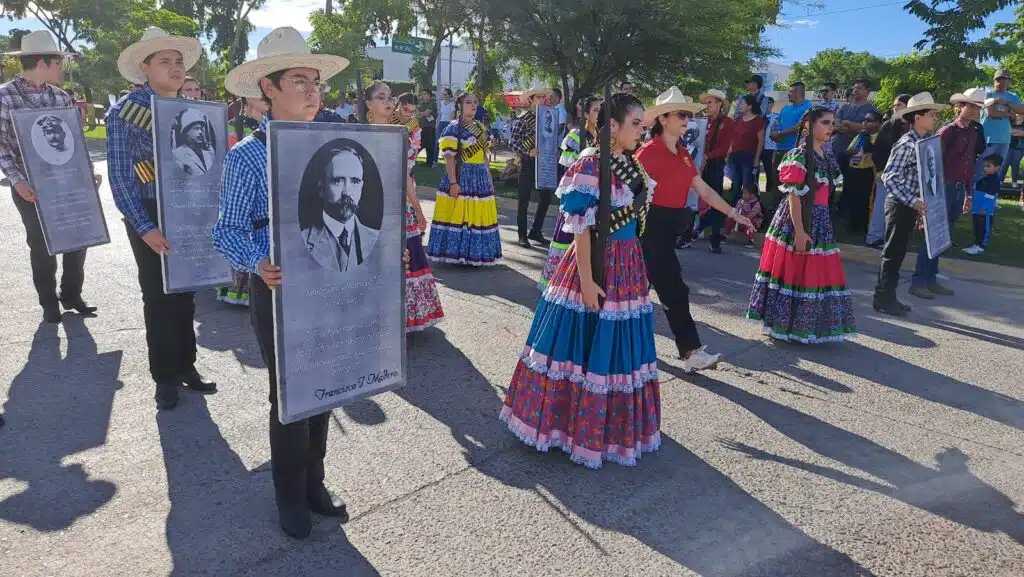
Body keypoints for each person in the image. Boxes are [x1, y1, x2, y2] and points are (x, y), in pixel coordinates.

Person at [213, 26, 353, 539]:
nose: (313, 90)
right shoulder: (246, 155)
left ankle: (315, 482)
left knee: (327, 387)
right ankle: (289, 494)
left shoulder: (335, 147)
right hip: (277, 291)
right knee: (291, 395)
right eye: (300, 80)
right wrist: (260, 262)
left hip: (330, 287)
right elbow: (225, 231)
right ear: (268, 89)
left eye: (315, 81)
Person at [499, 92, 661, 468]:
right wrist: (587, 281)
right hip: (594, 263)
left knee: (614, 345)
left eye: (642, 123)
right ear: (613, 126)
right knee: (579, 342)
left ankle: (609, 427)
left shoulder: (629, 164)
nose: (642, 130)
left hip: (627, 264)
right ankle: (568, 426)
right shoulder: (589, 166)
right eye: (636, 124)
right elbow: (582, 231)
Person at [107, 27, 215, 410]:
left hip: (188, 211)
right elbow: (121, 176)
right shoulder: (126, 111)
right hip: (150, 212)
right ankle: (164, 376)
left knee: (186, 293)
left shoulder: (191, 110)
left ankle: (187, 366)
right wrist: (144, 226)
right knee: (158, 296)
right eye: (165, 61)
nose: (175, 67)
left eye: (179, 61)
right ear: (145, 68)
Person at [636, 87, 753, 368]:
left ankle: (666, 351)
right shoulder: (646, 153)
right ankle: (689, 352)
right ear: (664, 119)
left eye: (688, 115)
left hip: (669, 227)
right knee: (670, 290)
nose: (687, 119)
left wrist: (734, 214)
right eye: (681, 114)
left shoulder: (683, 153)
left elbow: (704, 190)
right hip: (649, 227)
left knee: (641, 292)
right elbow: (630, 192)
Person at [1, 30, 101, 323]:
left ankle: (71, 294)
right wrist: (18, 180)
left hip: (67, 182)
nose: (62, 68)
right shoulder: (5, 96)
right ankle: (48, 301)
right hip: (29, 185)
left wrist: (89, 172)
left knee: (78, 236)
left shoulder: (60, 96)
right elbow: (1, 144)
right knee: (42, 244)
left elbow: (74, 141)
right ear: (44, 62)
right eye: (59, 62)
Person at [747, 106, 857, 342]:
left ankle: (806, 326)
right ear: (808, 125)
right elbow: (794, 197)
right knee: (794, 270)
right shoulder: (798, 155)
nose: (831, 128)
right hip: (798, 220)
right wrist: (799, 230)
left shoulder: (825, 156)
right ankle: (785, 325)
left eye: (832, 123)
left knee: (813, 272)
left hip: (820, 221)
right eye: (825, 123)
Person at [873, 92, 946, 316]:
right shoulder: (907, 143)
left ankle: (888, 296)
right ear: (917, 117)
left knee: (899, 252)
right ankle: (883, 298)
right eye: (932, 114)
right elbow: (890, 176)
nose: (936, 118)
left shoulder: (924, 143)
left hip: (910, 205)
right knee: (892, 252)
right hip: (899, 204)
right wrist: (914, 201)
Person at [909, 90, 984, 296]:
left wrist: (969, 194)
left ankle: (931, 279)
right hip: (943, 188)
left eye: (978, 107)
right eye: (971, 106)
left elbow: (970, 164)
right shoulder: (947, 131)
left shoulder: (973, 132)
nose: (975, 110)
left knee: (943, 236)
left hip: (959, 188)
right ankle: (919, 281)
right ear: (959, 107)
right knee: (932, 234)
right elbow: (932, 164)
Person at [382, 86, 445, 331]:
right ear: (397, 107)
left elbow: (408, 167)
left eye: (412, 111)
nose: (408, 114)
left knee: (409, 248)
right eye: (404, 109)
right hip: (391, 189)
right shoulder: (389, 125)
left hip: (405, 185)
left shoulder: (413, 128)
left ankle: (409, 312)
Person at [426, 91, 502, 266]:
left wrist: (489, 177)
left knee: (477, 215)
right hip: (462, 175)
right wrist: (453, 182)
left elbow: (484, 156)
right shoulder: (453, 128)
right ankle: (457, 254)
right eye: (469, 102)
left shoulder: (481, 128)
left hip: (480, 177)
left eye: (475, 102)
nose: (473, 105)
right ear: (460, 105)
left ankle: (477, 254)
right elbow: (450, 158)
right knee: (460, 213)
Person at [538, 94, 602, 291]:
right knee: (569, 241)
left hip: (598, 201)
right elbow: (571, 172)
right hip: (579, 199)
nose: (601, 114)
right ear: (585, 113)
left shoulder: (607, 136)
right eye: (597, 110)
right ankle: (560, 285)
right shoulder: (575, 137)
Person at [866, 94, 913, 247]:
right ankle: (874, 237)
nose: (895, 107)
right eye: (895, 105)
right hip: (887, 173)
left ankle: (890, 238)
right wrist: (880, 170)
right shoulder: (889, 125)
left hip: (907, 176)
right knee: (881, 206)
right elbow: (878, 151)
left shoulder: (914, 126)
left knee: (898, 210)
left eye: (899, 105)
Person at [509, 87, 554, 247]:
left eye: (543, 97)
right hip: (528, 163)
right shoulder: (522, 119)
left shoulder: (547, 119)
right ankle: (522, 235)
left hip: (544, 163)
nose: (542, 100)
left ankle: (536, 230)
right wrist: (528, 151)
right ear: (531, 100)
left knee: (546, 197)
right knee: (524, 200)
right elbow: (513, 143)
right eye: (538, 97)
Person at [695, 88, 735, 252]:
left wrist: (708, 156)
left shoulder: (727, 123)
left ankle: (714, 236)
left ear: (719, 104)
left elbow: (724, 148)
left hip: (715, 164)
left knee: (715, 198)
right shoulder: (701, 122)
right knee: (694, 197)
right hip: (699, 163)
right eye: (705, 103)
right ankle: (690, 231)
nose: (707, 106)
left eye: (710, 102)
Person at [768, 82, 813, 213]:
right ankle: (777, 209)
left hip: (794, 151)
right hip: (779, 148)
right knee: (777, 179)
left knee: (792, 183)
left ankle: (791, 210)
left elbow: (800, 126)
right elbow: (776, 123)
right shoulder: (785, 109)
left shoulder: (808, 108)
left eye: (791, 91)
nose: (788, 94)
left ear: (799, 92)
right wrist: (774, 133)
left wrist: (780, 134)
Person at [977, 69, 1022, 184]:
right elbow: (990, 113)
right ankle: (975, 197)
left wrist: (1006, 104)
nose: (1000, 82)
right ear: (994, 80)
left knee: (998, 170)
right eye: (998, 79)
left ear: (1008, 81)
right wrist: (1008, 113)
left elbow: (1021, 110)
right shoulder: (989, 94)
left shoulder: (1013, 96)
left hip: (1004, 139)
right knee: (982, 169)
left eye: (1003, 79)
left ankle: (991, 198)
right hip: (988, 138)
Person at [843, 111, 881, 234]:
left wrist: (868, 145)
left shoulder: (880, 137)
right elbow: (849, 151)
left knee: (866, 200)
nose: (865, 123)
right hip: (854, 169)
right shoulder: (860, 136)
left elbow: (873, 151)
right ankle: (852, 225)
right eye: (864, 120)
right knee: (853, 198)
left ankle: (865, 226)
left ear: (877, 123)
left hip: (868, 171)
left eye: (869, 120)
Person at [728, 94, 765, 205]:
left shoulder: (758, 121)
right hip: (735, 155)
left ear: (750, 106)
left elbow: (761, 141)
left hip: (748, 156)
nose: (740, 105)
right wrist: (729, 152)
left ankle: (750, 209)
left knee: (747, 184)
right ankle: (735, 208)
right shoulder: (738, 120)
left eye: (743, 103)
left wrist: (757, 158)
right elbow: (733, 138)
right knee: (735, 184)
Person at [964, 154, 1002, 254]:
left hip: (985, 211)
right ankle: (976, 244)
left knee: (984, 228)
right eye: (984, 165)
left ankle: (981, 246)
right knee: (977, 227)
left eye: (988, 166)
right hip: (977, 209)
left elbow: (991, 197)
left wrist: (985, 208)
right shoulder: (983, 179)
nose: (985, 168)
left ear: (997, 168)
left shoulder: (994, 181)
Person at [171, 108, 214, 176]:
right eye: (196, 128)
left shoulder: (209, 153)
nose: (200, 132)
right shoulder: (178, 155)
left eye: (201, 129)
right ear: (186, 132)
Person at [418, 89, 437, 167]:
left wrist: (421, 114)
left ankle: (430, 162)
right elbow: (416, 114)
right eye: (422, 94)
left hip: (430, 127)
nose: (423, 96)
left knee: (430, 145)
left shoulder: (432, 104)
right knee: (421, 145)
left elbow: (426, 113)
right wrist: (421, 114)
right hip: (421, 127)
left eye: (425, 94)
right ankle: (421, 162)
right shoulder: (421, 104)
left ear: (429, 95)